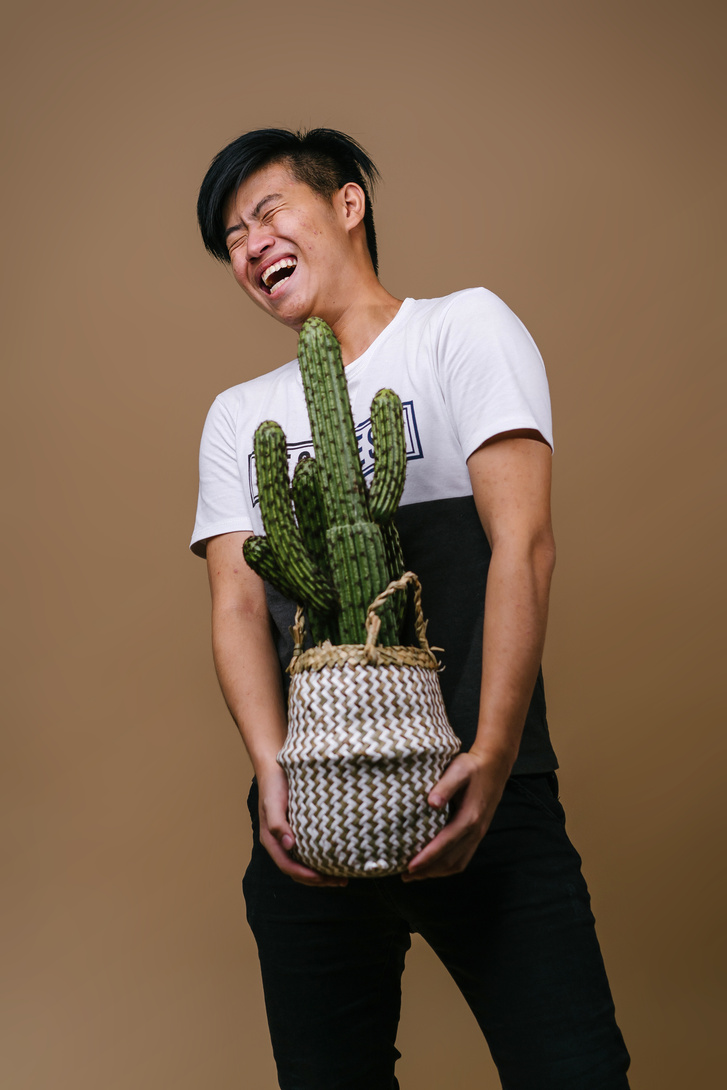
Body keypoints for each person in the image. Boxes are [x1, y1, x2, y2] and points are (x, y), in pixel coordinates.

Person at [191, 127, 630, 1089]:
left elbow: (523, 542)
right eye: (230, 237)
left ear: (348, 204)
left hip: (481, 788)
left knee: (571, 1070)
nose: (249, 243)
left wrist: (495, 757)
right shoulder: (239, 414)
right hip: (310, 813)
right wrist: (273, 776)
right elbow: (235, 599)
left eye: (268, 211)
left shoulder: (460, 329)